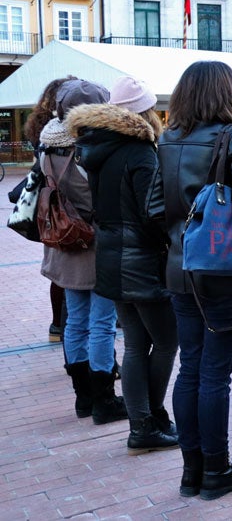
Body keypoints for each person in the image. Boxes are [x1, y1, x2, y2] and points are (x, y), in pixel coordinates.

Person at [154, 61, 232, 500]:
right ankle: (217, 470)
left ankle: (191, 472)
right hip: (221, 269)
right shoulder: (230, 136)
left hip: (180, 268)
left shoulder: (167, 138)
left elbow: (153, 208)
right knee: (215, 373)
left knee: (191, 368)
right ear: (223, 92)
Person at [67, 76, 179, 454]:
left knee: (134, 344)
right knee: (166, 342)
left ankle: (143, 423)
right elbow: (154, 212)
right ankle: (149, 419)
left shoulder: (98, 147)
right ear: (144, 111)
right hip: (142, 258)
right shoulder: (140, 151)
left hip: (111, 255)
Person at [39, 79, 129, 425]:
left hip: (64, 246)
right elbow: (98, 201)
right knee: (102, 324)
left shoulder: (48, 144)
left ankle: (84, 399)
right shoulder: (84, 150)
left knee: (75, 322)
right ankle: (104, 400)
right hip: (93, 245)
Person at [25, 77, 77, 343]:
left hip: (49, 209)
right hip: (69, 207)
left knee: (58, 271)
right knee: (71, 273)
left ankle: (57, 325)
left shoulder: (39, 129)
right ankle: (67, 328)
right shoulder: (65, 132)